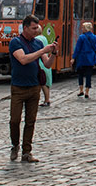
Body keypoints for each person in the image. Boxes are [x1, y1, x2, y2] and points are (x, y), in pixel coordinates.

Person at [8, 16, 59, 162]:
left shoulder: (37, 43)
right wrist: (43, 50)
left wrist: (53, 53)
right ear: (25, 28)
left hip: (34, 86)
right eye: (33, 28)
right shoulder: (15, 42)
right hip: (18, 87)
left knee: (31, 121)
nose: (36, 30)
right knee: (15, 120)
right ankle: (15, 145)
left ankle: (27, 152)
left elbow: (47, 64)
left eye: (37, 28)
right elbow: (23, 59)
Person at [72, 21, 96, 98]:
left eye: (83, 27)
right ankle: (87, 91)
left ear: (86, 28)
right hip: (90, 58)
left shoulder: (81, 37)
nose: (82, 29)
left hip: (82, 58)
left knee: (80, 74)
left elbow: (77, 48)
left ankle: (81, 90)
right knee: (88, 75)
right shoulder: (94, 37)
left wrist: (74, 57)